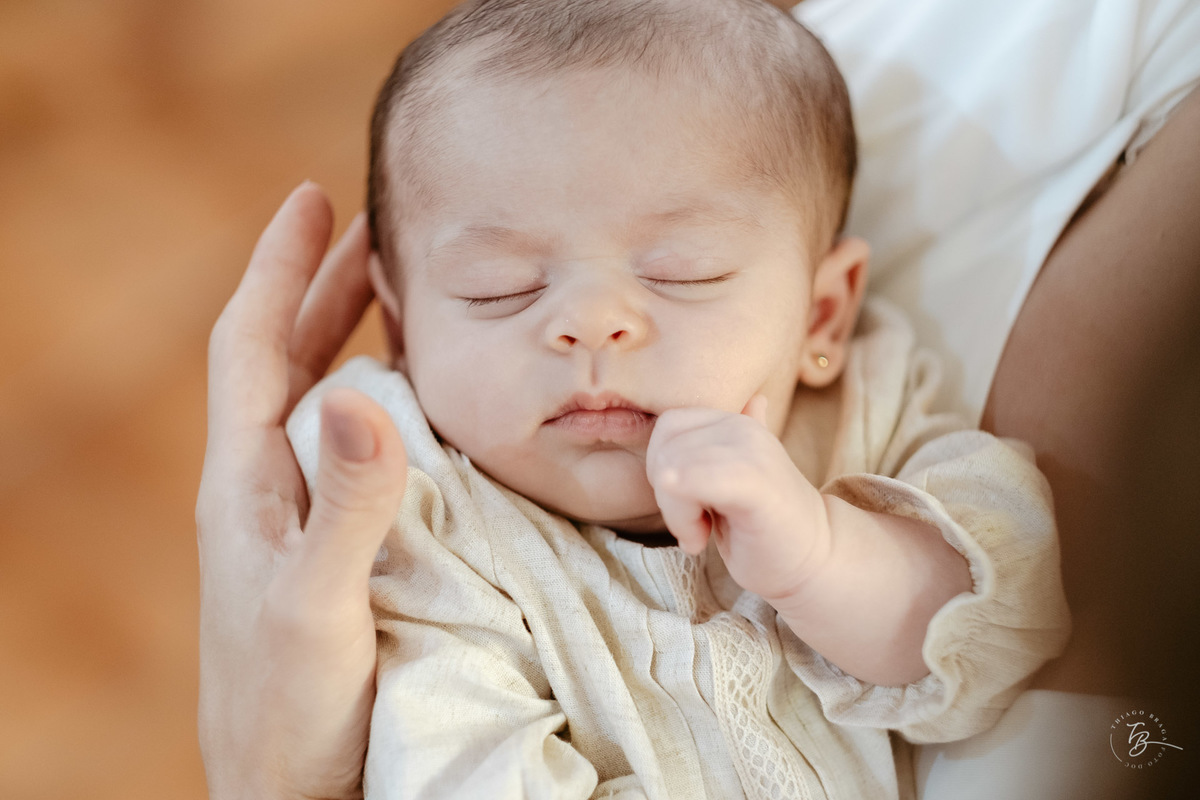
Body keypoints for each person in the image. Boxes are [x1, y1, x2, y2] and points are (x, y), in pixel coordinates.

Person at [195, 1, 1200, 799]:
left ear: (821, 314)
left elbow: (1016, 605)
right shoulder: (415, 512)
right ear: (402, 326)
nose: (590, 325)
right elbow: (457, 761)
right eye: (499, 289)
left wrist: (827, 557)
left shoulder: (862, 410)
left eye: (682, 273)